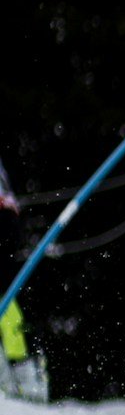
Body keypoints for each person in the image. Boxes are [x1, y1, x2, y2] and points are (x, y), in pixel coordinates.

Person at [0, 160, 45, 402]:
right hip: (7, 219)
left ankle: (26, 371)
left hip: (4, 219)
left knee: (11, 306)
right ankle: (18, 370)